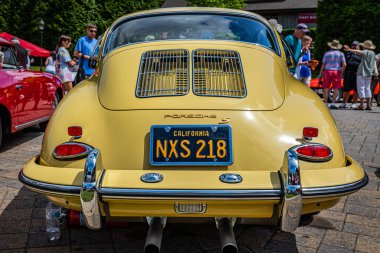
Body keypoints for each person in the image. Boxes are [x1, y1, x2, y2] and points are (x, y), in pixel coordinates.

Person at [344, 40, 378, 110]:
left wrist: (349, 49)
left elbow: (358, 52)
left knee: (361, 88)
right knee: (368, 88)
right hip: (369, 73)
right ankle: (368, 105)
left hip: (362, 72)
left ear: (365, 46)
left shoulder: (366, 52)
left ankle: (361, 105)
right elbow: (376, 59)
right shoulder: (373, 53)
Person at [319, 39, 346, 109]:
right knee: (336, 88)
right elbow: (344, 65)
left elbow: (323, 64)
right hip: (337, 72)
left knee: (326, 87)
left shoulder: (327, 53)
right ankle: (333, 103)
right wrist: (341, 72)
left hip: (328, 71)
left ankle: (325, 103)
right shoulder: (341, 54)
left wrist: (320, 73)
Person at [340, 41, 361, 108]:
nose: (354, 46)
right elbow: (343, 63)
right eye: (352, 45)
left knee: (356, 89)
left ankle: (354, 103)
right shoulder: (347, 53)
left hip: (358, 73)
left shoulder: (361, 54)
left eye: (355, 45)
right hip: (348, 73)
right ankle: (344, 103)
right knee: (346, 89)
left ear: (358, 46)